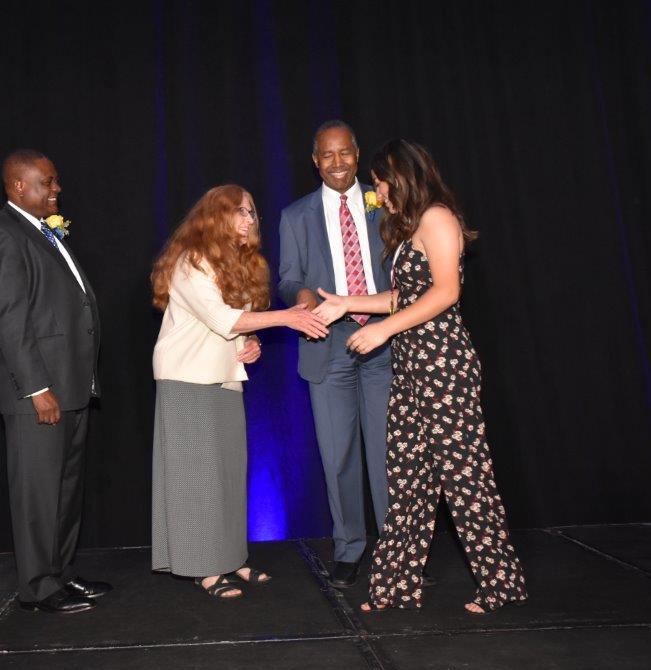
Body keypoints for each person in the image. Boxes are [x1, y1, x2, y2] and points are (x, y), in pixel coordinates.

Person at [313, 139, 528, 613]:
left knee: (466, 477)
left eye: (380, 182)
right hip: (412, 369)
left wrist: (384, 330)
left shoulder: (438, 218)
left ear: (401, 177)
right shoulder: (410, 227)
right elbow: (403, 298)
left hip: (444, 366)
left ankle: (502, 584)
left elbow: (446, 292)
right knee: (407, 480)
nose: (377, 192)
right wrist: (348, 303)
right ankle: (394, 587)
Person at [151, 185, 329, 599]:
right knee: (197, 478)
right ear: (216, 216)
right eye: (240, 211)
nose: (250, 219)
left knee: (228, 475)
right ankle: (204, 568)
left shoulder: (237, 263)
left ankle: (231, 557)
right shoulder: (192, 260)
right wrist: (287, 317)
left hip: (224, 377)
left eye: (252, 212)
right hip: (187, 379)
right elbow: (220, 318)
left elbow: (237, 325)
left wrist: (251, 343)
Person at [0, 149, 109, 615]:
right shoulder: (2, 236)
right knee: (38, 492)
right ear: (17, 186)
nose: (57, 190)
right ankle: (38, 586)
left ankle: (61, 573)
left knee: (65, 489)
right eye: (47, 182)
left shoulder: (40, 230)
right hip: (40, 391)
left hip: (70, 383)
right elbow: (10, 321)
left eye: (54, 181)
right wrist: (36, 388)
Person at [277, 120, 393, 589]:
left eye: (344, 152)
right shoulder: (295, 216)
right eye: (327, 155)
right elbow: (287, 279)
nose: (337, 162)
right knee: (338, 455)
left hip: (384, 339)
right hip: (327, 345)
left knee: (389, 454)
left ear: (357, 155)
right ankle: (349, 549)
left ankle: (398, 550)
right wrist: (302, 295)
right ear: (315, 161)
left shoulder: (385, 202)